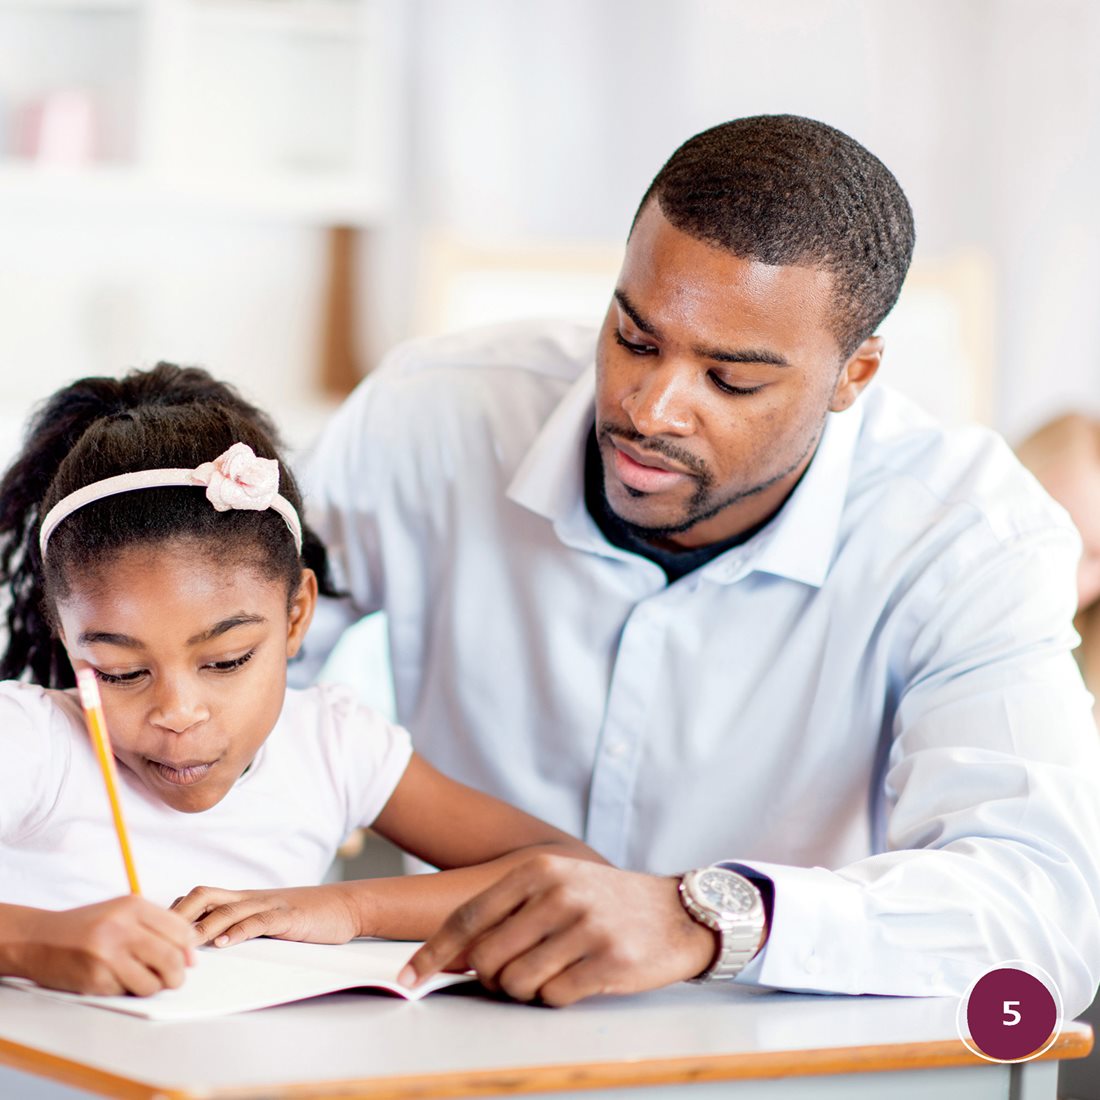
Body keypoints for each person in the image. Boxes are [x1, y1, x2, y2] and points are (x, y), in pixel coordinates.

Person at [289, 113, 1100, 1013]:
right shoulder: (429, 417)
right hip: (438, 1026)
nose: (651, 408)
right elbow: (235, 684)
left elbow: (1043, 913)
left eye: (732, 380)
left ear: (854, 375)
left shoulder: (966, 535)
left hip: (776, 1063)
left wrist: (708, 918)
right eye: (635, 338)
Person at [0, 363, 602, 998]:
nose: (177, 712)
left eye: (227, 660)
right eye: (121, 672)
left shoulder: (331, 745)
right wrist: (30, 941)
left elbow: (570, 871)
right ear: (69, 642)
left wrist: (349, 910)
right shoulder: (34, 742)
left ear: (296, 617)